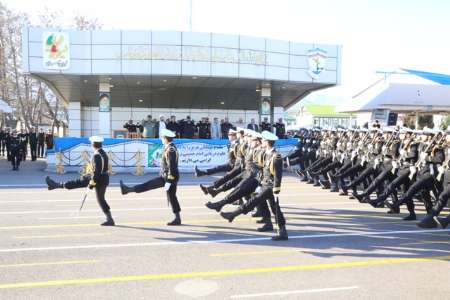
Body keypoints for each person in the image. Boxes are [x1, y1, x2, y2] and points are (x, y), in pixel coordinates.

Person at [220, 130, 288, 241]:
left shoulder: (276, 157)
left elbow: (278, 176)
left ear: (267, 142)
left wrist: (276, 189)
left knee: (254, 201)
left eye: (263, 140)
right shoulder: (268, 154)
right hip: (265, 184)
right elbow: (263, 169)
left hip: (270, 187)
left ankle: (233, 214)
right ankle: (282, 231)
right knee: (275, 209)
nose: (262, 141)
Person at [45, 136, 115, 226]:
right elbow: (99, 169)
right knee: (100, 199)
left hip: (98, 179)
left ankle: (56, 185)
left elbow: (97, 171)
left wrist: (91, 183)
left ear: (93, 144)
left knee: (80, 184)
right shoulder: (102, 153)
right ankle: (110, 219)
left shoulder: (97, 155)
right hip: (101, 178)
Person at [120, 128, 182, 225]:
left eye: (162, 137)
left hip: (168, 178)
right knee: (172, 197)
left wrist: (169, 180)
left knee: (148, 185)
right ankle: (177, 218)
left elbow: (172, 166)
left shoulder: (170, 149)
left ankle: (127, 190)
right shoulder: (170, 147)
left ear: (165, 138)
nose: (161, 139)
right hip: (169, 177)